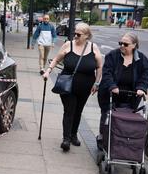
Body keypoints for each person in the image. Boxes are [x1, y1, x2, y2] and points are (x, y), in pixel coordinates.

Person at [42, 23, 103, 152]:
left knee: (78, 110)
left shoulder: (93, 48)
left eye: (78, 34)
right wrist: (48, 71)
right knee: (69, 110)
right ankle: (66, 139)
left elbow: (99, 67)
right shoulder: (68, 45)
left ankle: (74, 134)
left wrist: (97, 83)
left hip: (86, 86)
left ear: (87, 36)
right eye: (75, 33)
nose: (75, 36)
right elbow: (56, 60)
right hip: (67, 85)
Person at [97, 32, 148, 143]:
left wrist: (141, 88)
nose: (122, 46)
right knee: (107, 115)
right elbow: (107, 73)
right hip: (110, 93)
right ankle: (103, 139)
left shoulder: (142, 59)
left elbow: (145, 75)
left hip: (130, 96)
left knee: (126, 120)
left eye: (125, 44)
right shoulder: (112, 55)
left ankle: (120, 142)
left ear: (134, 45)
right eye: (120, 43)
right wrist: (112, 86)